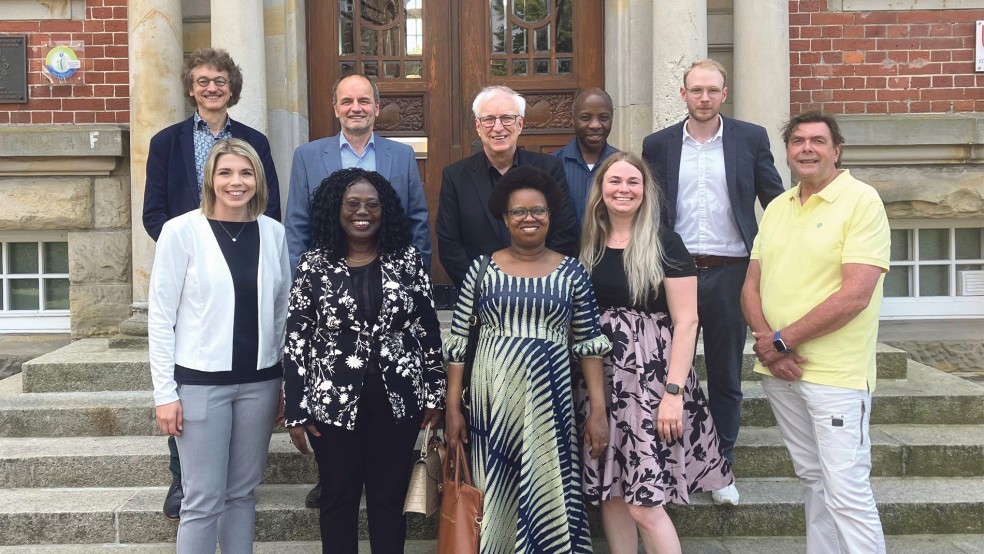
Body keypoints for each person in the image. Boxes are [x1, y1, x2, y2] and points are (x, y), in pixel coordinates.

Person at [142, 47, 281, 520]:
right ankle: (182, 479)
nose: (211, 87)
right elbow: (154, 211)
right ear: (191, 88)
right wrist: (192, 251)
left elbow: (269, 204)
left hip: (243, 257)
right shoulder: (167, 141)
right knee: (191, 374)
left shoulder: (254, 141)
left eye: (220, 80)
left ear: (232, 88)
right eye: (202, 80)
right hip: (191, 269)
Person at [741, 111, 889, 553]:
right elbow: (751, 285)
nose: (807, 149)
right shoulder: (778, 207)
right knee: (813, 480)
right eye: (798, 141)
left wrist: (781, 341)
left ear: (836, 150)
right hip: (781, 372)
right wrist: (769, 344)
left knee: (846, 490)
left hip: (836, 376)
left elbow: (855, 295)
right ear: (787, 152)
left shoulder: (862, 201)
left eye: (818, 141)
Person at [443, 166, 611, 554]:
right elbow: (458, 344)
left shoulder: (573, 273)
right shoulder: (480, 270)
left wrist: (598, 411)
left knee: (548, 485)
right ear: (504, 218)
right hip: (491, 404)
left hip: (550, 405)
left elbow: (589, 345)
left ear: (550, 215)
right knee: (495, 487)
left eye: (538, 210)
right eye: (519, 211)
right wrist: (452, 408)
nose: (529, 218)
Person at [641, 59, 784, 504]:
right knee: (666, 371)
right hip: (673, 274)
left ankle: (721, 468)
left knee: (725, 374)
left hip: (730, 271)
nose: (704, 98)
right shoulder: (658, 144)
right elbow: (649, 208)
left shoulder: (750, 138)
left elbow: (775, 202)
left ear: (725, 94)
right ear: (683, 94)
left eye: (712, 90)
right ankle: (667, 463)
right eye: (696, 90)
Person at [577, 152, 734, 553]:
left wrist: (673, 394)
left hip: (650, 380)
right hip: (601, 380)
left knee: (645, 504)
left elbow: (687, 321)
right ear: (600, 189)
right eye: (615, 181)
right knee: (612, 491)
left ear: (645, 191)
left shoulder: (666, 243)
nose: (624, 189)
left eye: (633, 182)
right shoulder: (587, 243)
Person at [283, 167, 445, 554]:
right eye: (352, 203)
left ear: (385, 210)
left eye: (372, 205)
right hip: (331, 402)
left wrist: (435, 393)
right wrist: (296, 408)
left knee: (388, 500)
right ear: (335, 209)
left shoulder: (407, 260)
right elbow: (297, 337)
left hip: (398, 401)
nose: (362, 212)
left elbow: (427, 328)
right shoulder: (313, 264)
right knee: (337, 498)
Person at [148, 138, 290, 552]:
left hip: (260, 384)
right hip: (200, 385)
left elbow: (280, 311)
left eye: (245, 173)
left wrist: (283, 380)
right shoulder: (181, 231)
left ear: (257, 179)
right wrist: (164, 393)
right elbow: (161, 317)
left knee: (242, 493)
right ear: (210, 178)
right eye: (225, 172)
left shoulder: (273, 233)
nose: (236, 182)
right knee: (202, 499)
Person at [285, 73, 431, 273]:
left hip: (391, 276)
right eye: (347, 101)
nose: (356, 108)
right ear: (336, 109)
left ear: (376, 108)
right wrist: (301, 278)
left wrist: (415, 275)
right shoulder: (306, 156)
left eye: (364, 101)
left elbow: (417, 221)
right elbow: (296, 224)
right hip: (326, 278)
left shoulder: (403, 155)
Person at [436, 85, 579, 288]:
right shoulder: (455, 176)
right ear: (478, 126)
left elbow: (565, 232)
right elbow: (449, 245)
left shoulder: (549, 168)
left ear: (520, 124)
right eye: (488, 119)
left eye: (506, 118)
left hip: (543, 292)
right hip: (482, 294)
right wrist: (487, 288)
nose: (498, 127)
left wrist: (540, 284)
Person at [552, 87, 619, 227]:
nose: (595, 125)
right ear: (573, 120)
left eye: (604, 118)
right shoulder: (552, 165)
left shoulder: (622, 165)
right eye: (586, 118)